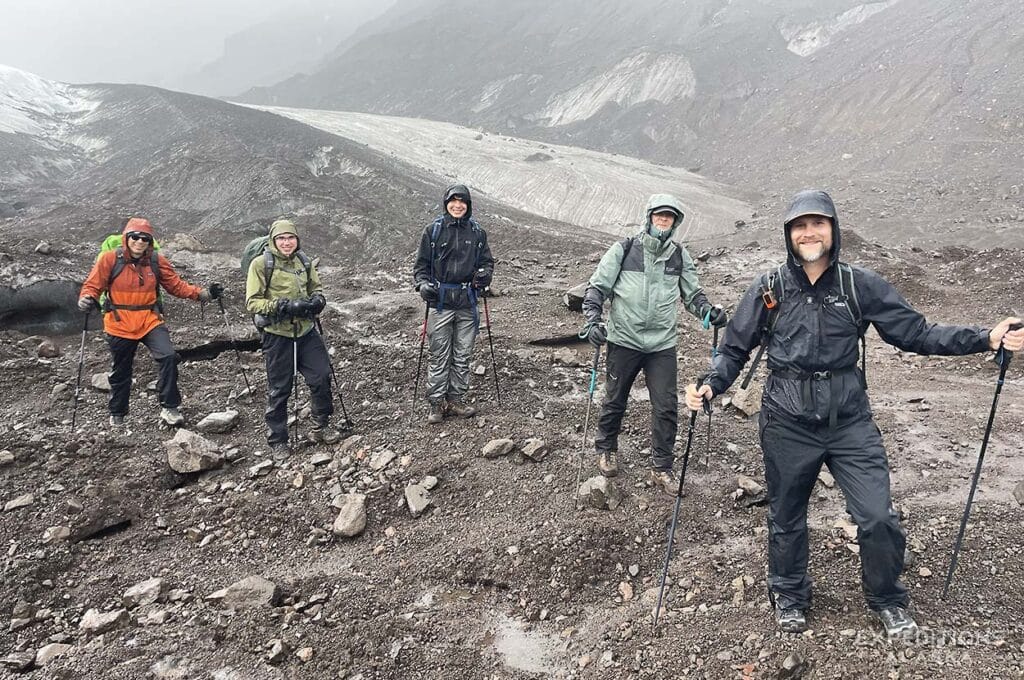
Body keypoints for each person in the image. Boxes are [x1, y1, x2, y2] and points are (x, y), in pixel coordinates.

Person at [685, 189, 1024, 637]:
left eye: (818, 223)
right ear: (788, 235)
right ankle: (789, 593)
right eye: (799, 226)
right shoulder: (768, 288)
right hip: (786, 422)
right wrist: (711, 383)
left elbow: (917, 332)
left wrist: (985, 338)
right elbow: (733, 348)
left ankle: (887, 599)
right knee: (787, 515)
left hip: (849, 422)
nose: (809, 233)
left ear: (833, 229)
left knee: (877, 515)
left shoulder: (857, 284)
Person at [581, 193, 726, 494]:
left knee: (666, 406)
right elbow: (597, 288)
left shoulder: (678, 255)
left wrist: (709, 312)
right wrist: (593, 321)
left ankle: (662, 467)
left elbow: (693, 295)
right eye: (659, 215)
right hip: (624, 339)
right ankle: (606, 447)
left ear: (675, 222)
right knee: (615, 398)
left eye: (669, 216)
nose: (663, 220)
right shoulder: (625, 249)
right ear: (648, 217)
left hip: (661, 343)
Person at [78, 217, 219, 428]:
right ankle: (118, 413)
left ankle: (170, 407)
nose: (139, 242)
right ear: (126, 238)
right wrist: (86, 298)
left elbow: (176, 286)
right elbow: (93, 285)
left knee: (169, 357)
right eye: (135, 237)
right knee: (121, 371)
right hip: (119, 323)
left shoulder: (156, 261)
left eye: (145, 238)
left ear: (150, 241)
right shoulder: (109, 259)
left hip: (149, 319)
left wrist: (203, 294)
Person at [245, 219, 343, 455]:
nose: (286, 242)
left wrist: (317, 300)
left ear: (297, 240)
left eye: (291, 238)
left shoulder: (304, 261)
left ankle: (321, 425)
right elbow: (252, 301)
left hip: (306, 331)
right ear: (273, 241)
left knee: (321, 376)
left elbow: (315, 288)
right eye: (281, 238)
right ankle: (278, 441)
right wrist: (283, 306)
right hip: (277, 335)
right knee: (280, 389)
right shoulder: (261, 264)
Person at [412, 184, 495, 424]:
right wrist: (423, 285)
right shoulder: (434, 231)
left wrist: (484, 275)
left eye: (462, 201)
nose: (457, 205)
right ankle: (436, 404)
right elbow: (421, 266)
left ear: (468, 205)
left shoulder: (477, 233)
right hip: (441, 303)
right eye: (453, 201)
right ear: (446, 203)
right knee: (439, 355)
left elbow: (487, 262)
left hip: (467, 303)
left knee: (463, 354)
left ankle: (456, 399)